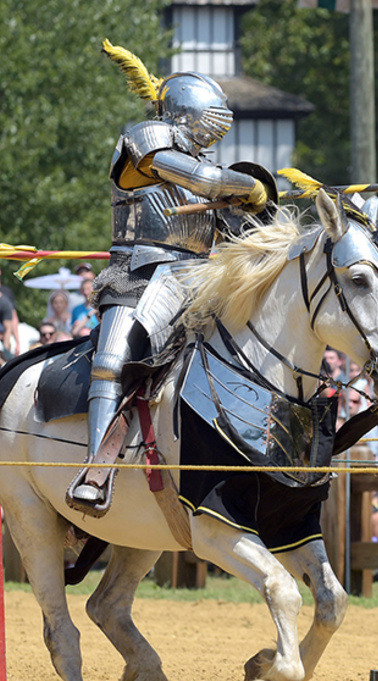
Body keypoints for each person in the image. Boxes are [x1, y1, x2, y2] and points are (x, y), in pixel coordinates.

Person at [67, 40, 277, 516]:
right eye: (214, 110)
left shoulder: (206, 165)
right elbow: (205, 183)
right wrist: (251, 185)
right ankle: (95, 472)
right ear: (186, 107)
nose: (221, 119)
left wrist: (255, 206)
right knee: (112, 361)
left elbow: (235, 226)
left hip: (199, 276)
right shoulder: (146, 139)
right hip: (141, 270)